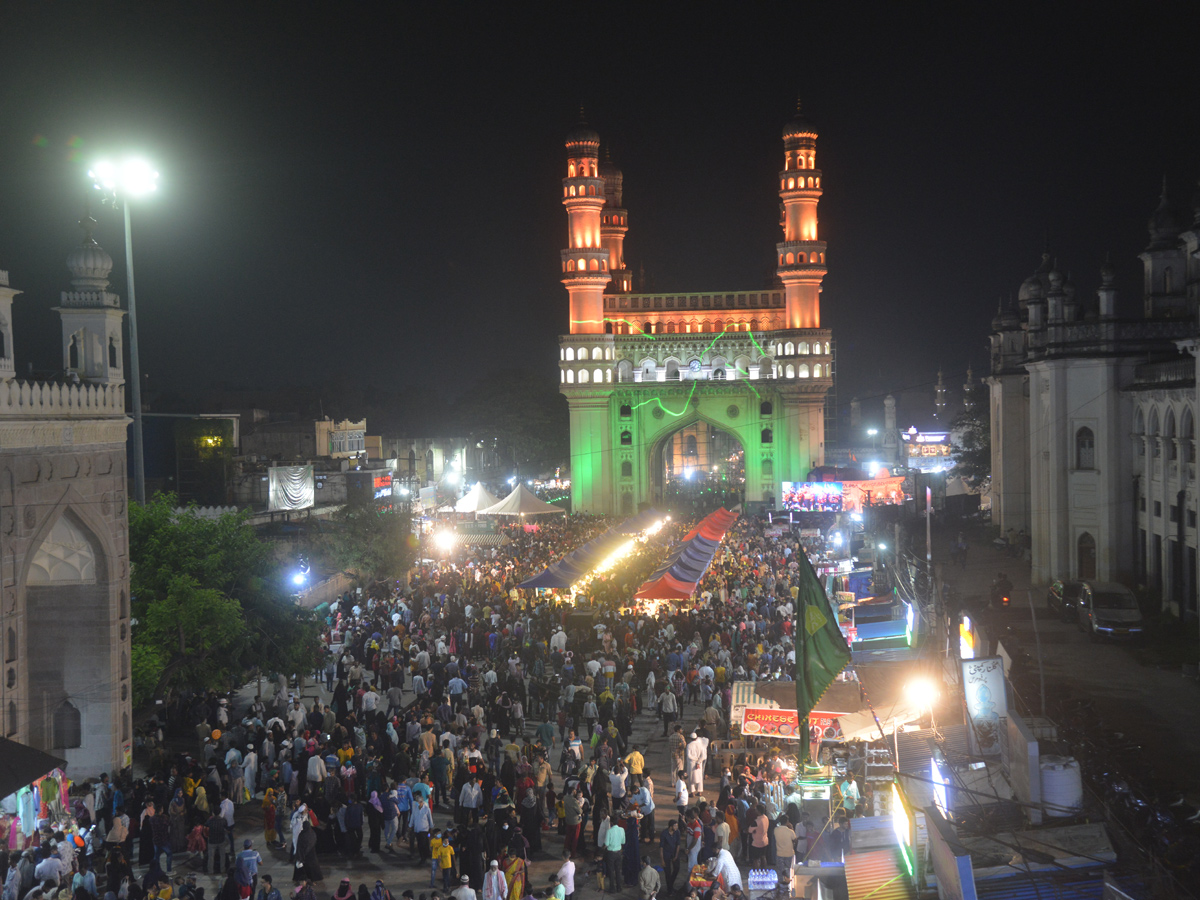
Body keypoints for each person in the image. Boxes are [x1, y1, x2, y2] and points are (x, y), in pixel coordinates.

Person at [603, 811, 626, 892]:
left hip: (610, 853)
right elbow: (623, 842)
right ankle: (619, 887)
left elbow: (606, 843)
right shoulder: (622, 830)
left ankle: (612, 888)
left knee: (611, 871)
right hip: (619, 852)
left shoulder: (609, 831)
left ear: (611, 822)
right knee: (618, 870)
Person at [660, 821, 681, 895]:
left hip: (674, 853)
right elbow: (661, 847)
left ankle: (670, 885)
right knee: (667, 872)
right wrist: (662, 860)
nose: (676, 827)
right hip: (666, 854)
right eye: (675, 826)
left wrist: (676, 855)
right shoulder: (664, 833)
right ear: (670, 827)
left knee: (677, 868)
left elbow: (678, 844)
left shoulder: (677, 832)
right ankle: (669, 890)